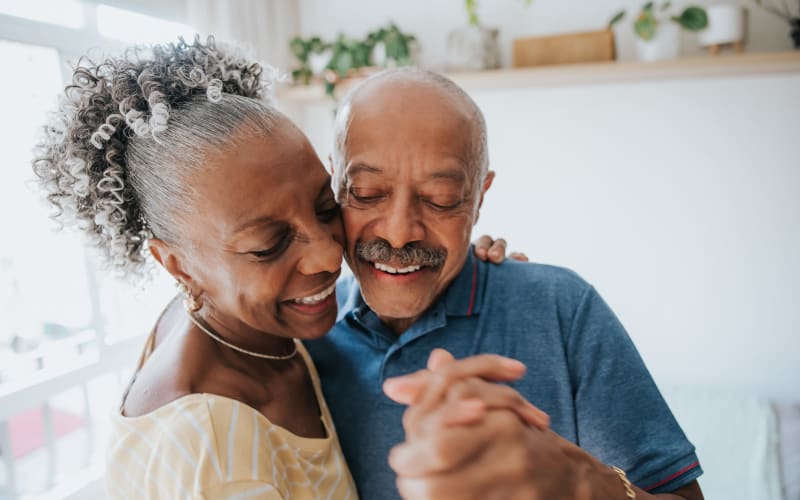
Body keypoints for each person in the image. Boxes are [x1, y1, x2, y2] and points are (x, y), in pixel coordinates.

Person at [31, 37, 530, 499]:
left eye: (324, 206)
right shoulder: (213, 455)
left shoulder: (239, 318)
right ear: (177, 264)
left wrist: (459, 256)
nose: (328, 257)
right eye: (269, 244)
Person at [304, 67, 705, 499]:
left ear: (479, 197)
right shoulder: (303, 341)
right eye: (366, 192)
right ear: (335, 182)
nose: (399, 233)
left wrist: (578, 482)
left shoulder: (561, 308)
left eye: (440, 200)